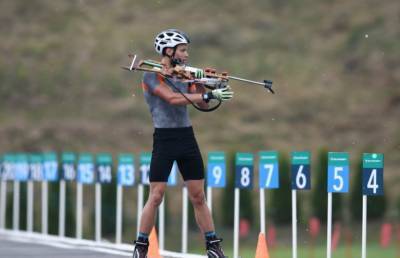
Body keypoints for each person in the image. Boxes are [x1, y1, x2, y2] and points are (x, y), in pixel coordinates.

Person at [132, 29, 233, 258]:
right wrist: (207, 95)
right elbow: (173, 99)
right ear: (169, 51)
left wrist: (204, 84)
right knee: (156, 196)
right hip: (164, 139)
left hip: (187, 138)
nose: (187, 55)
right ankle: (141, 246)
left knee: (198, 196)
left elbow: (202, 106)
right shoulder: (150, 76)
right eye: (183, 50)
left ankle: (213, 247)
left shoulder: (185, 74)